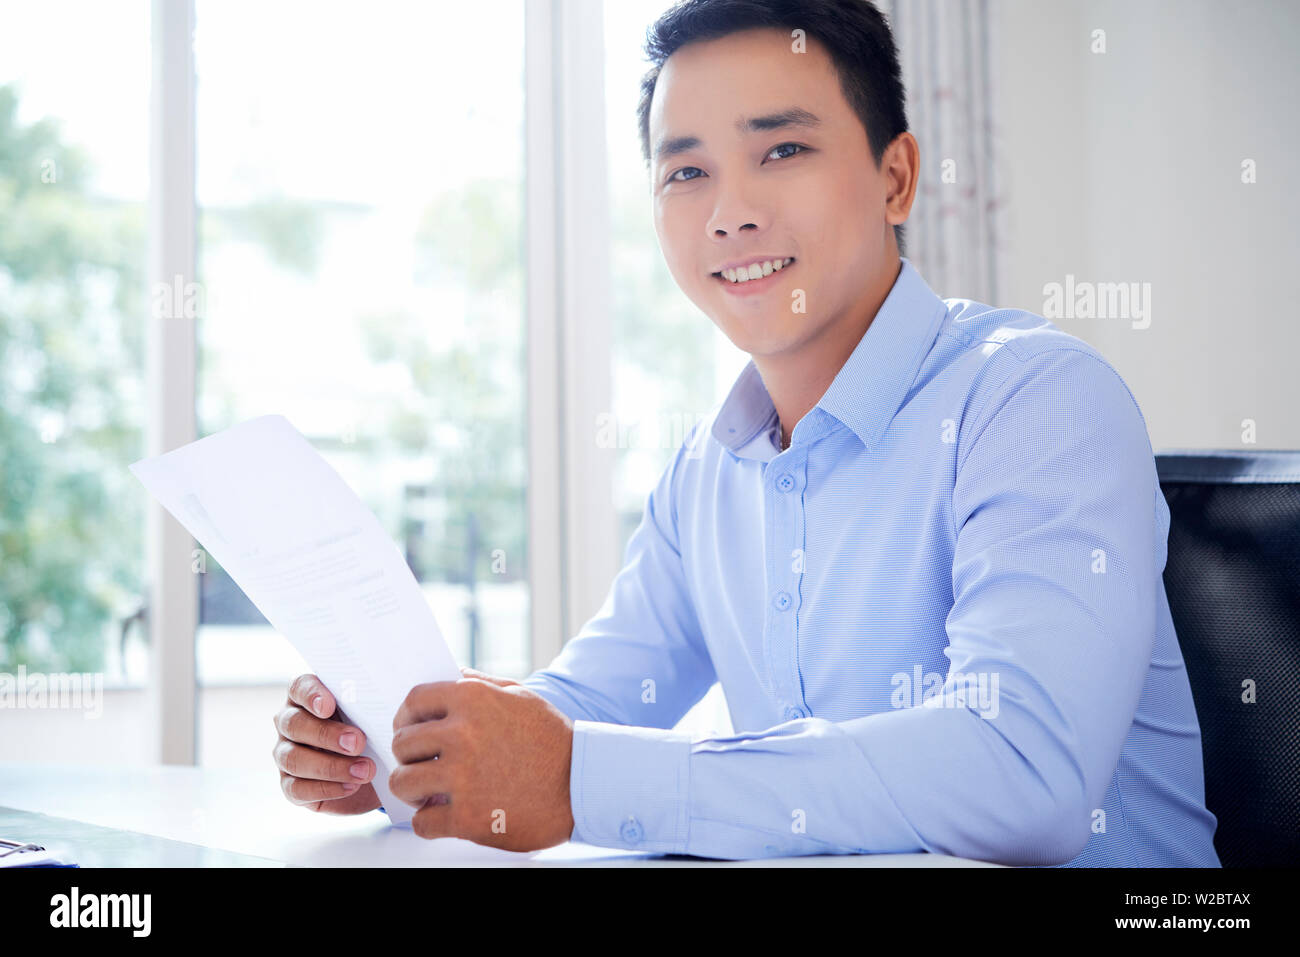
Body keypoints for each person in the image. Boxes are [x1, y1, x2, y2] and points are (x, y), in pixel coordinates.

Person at [272, 0, 1220, 866]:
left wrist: (576, 779)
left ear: (897, 178)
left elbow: (1020, 769)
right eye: (686, 171)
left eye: (782, 151)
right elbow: (584, 708)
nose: (730, 213)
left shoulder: (1035, 400)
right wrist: (408, 757)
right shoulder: (707, 469)